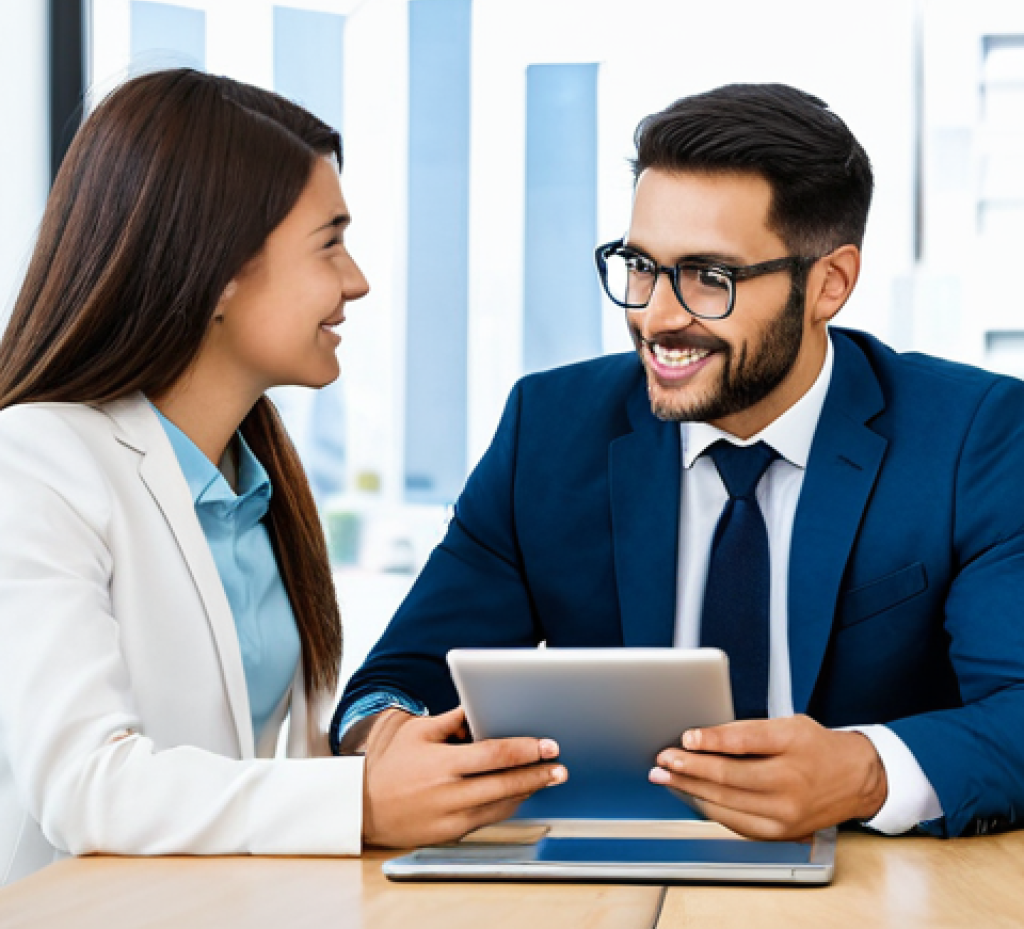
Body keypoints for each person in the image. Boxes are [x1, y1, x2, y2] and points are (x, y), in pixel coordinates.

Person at [336, 83, 1024, 841]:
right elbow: (390, 686)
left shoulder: (972, 436)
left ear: (828, 284)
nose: (657, 316)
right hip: (597, 869)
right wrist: (385, 741)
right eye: (641, 265)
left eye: (709, 277)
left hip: (876, 878)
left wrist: (864, 771)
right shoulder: (549, 430)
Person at [0, 68, 563, 886]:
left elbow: (263, 785)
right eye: (329, 242)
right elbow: (84, 786)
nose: (355, 280)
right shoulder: (34, 461)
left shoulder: (255, 485)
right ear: (217, 270)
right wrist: (361, 801)